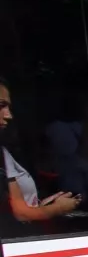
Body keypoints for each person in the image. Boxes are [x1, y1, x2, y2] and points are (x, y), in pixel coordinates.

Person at [0, 79, 81, 223]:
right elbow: (21, 214)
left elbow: (15, 209)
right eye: (1, 105)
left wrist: (42, 207)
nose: (8, 115)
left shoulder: (3, 153)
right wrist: (59, 208)